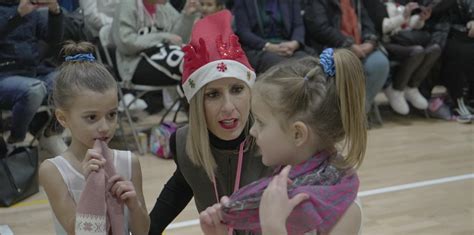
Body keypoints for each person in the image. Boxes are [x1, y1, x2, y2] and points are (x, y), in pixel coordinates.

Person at [200, 49, 366, 234]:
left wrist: (274, 228)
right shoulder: (281, 183)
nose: (253, 131)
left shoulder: (345, 212)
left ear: (297, 134)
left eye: (261, 123)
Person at [148, 10, 270, 234]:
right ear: (196, 103)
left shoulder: (273, 138)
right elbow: (182, 186)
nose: (228, 107)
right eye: (213, 94)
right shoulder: (186, 143)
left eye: (237, 89)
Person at [39, 41, 149, 234]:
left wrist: (134, 205)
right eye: (92, 117)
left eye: (112, 114)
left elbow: (143, 231)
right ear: (63, 118)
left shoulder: (129, 161)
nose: (105, 127)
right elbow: (75, 231)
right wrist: (92, 187)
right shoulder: (53, 170)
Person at [0, 0, 66, 155]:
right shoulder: (21, 9)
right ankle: (15, 138)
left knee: (73, 79)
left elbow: (55, 40)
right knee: (34, 90)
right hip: (4, 77)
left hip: (33, 74)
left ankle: (49, 132)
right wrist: (17, 14)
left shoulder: (31, 8)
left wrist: (54, 10)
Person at [303, 0, 390, 112]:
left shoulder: (356, 1)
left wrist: (370, 41)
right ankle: (339, 115)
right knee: (341, 67)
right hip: (332, 47)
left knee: (380, 63)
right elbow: (319, 28)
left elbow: (367, 22)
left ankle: (359, 112)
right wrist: (348, 44)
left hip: (360, 48)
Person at [111, 0, 200, 109]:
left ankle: (196, 116)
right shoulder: (127, 5)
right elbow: (126, 43)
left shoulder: (164, 6)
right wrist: (162, 37)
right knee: (187, 66)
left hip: (163, 55)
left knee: (196, 62)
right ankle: (195, 117)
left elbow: (177, 39)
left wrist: (187, 15)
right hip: (133, 64)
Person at [363, 0, 441, 115]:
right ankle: (397, 89)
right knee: (417, 51)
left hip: (404, 39)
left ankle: (412, 87)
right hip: (385, 42)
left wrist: (420, 18)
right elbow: (383, 27)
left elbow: (409, 24)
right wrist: (404, 16)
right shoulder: (372, 3)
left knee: (435, 49)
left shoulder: (397, 2)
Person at [232, 0, 311, 74]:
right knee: (283, 66)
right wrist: (268, 46)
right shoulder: (243, 2)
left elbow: (298, 25)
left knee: (309, 62)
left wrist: (295, 43)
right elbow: (243, 32)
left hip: (288, 46)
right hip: (258, 48)